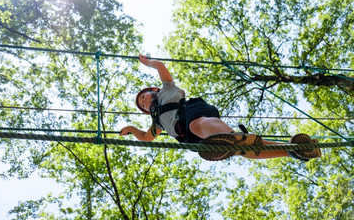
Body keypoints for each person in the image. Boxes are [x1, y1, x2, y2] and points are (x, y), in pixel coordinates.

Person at [120, 55, 321, 161]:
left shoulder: (167, 89)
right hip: (193, 140)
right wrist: (131, 129)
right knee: (243, 151)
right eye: (143, 105)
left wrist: (149, 63)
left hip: (192, 112)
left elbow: (162, 68)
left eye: (144, 97)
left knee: (198, 124)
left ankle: (231, 137)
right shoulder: (157, 124)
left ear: (153, 91)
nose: (145, 102)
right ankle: (295, 151)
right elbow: (146, 137)